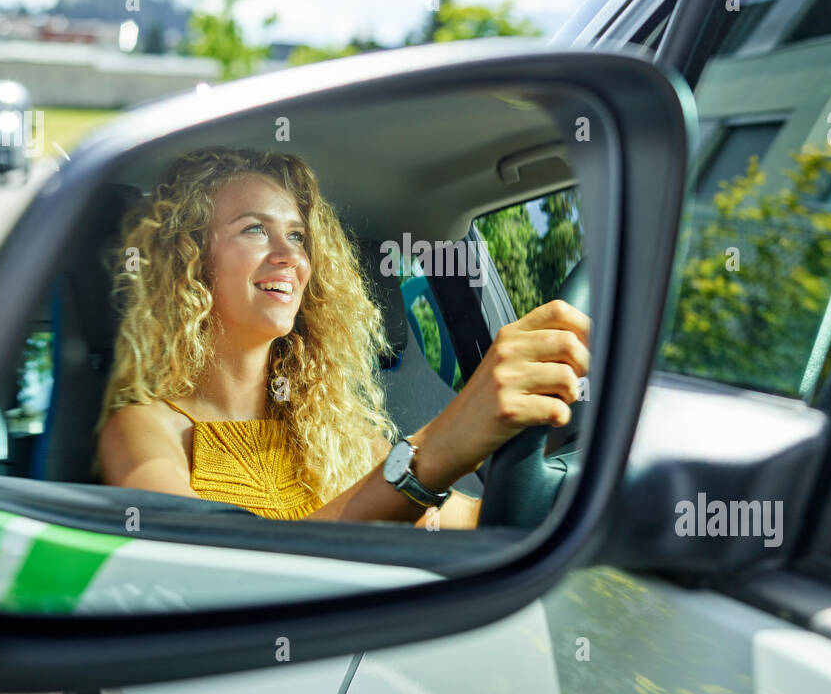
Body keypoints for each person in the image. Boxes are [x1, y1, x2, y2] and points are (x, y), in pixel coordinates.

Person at [94, 146, 589, 528]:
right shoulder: (142, 430)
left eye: (296, 236)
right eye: (253, 229)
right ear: (192, 262)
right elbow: (214, 570)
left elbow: (477, 522)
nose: (288, 256)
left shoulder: (336, 427)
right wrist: (432, 452)